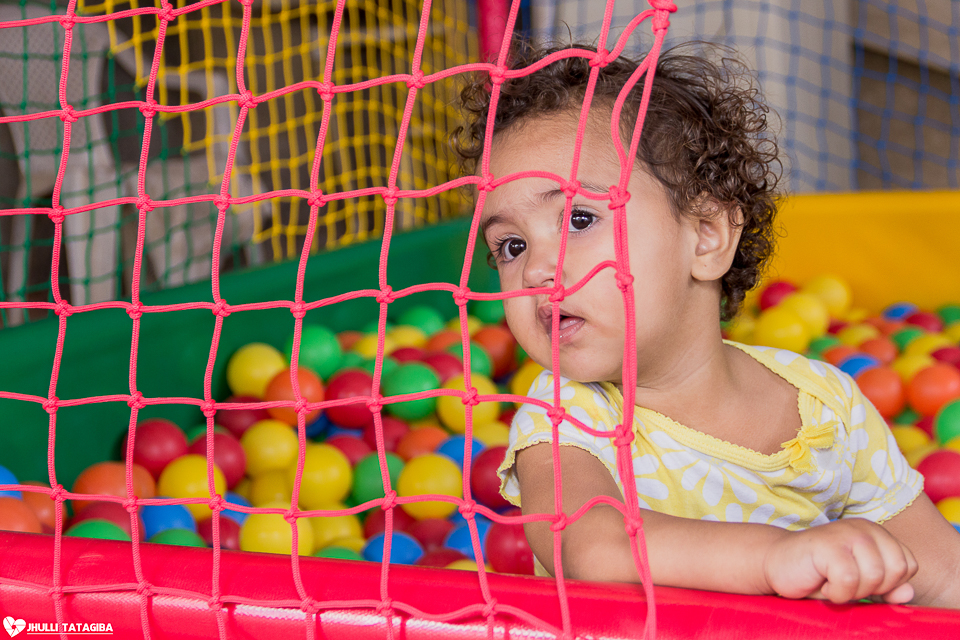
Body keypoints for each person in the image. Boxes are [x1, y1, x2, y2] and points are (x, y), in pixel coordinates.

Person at [453, 40, 960, 607]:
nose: (538, 269)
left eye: (579, 217)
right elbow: (594, 551)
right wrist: (774, 557)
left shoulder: (825, 408)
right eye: (511, 245)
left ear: (706, 235)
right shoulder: (565, 416)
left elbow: (939, 574)